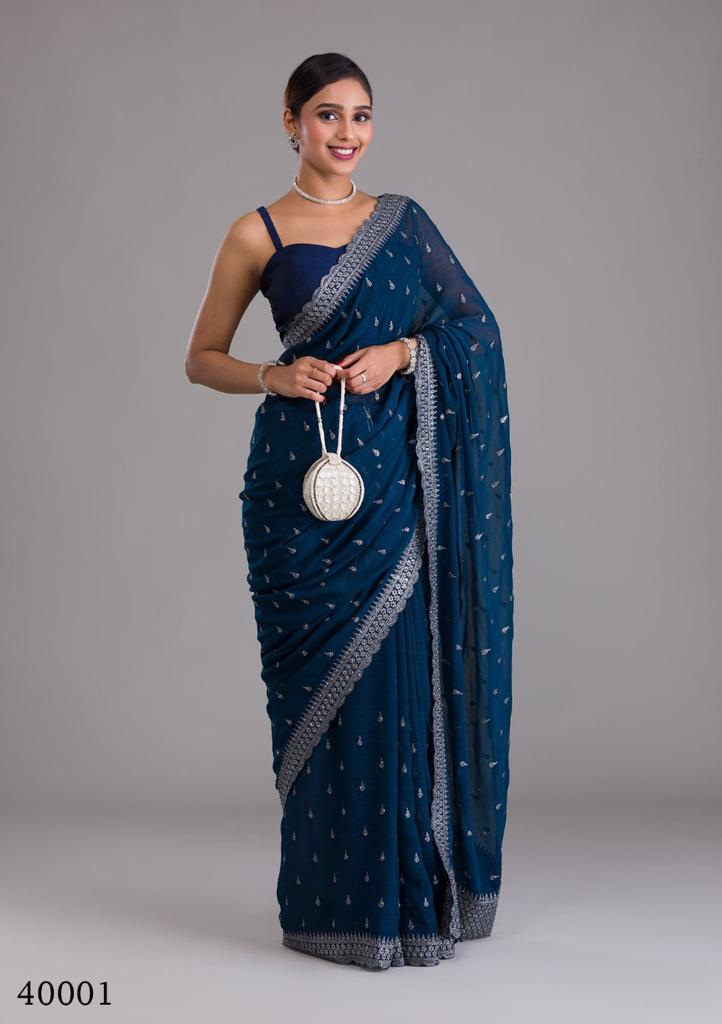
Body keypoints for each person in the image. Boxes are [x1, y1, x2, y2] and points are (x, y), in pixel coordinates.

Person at [185, 51, 514, 971]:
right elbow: (201, 357)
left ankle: (403, 908)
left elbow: (474, 331)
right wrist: (274, 374)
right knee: (315, 703)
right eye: (328, 114)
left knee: (394, 688)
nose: (347, 133)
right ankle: (329, 908)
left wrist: (404, 354)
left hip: (391, 487)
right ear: (291, 121)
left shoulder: (404, 224)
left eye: (361, 115)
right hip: (295, 489)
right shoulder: (254, 233)